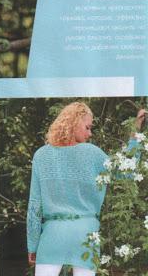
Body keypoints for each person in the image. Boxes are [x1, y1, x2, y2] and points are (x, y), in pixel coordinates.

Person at [26, 102, 145, 275]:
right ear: (73, 123)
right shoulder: (92, 153)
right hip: (86, 235)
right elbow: (126, 172)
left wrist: (32, 245)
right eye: (87, 127)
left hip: (52, 236)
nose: (90, 134)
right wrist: (136, 131)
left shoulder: (41, 155)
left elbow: (35, 206)